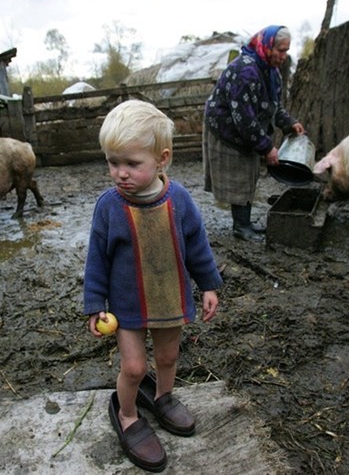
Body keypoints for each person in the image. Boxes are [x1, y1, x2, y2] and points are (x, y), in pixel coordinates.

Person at [83, 99, 223, 472]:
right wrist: (96, 303)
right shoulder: (109, 206)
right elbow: (96, 259)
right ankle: (127, 414)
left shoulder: (179, 200)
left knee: (167, 358)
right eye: (113, 162)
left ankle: (163, 396)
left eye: (132, 163)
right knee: (132, 367)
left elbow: (197, 246)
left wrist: (209, 285)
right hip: (127, 306)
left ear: (161, 158)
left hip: (169, 298)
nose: (120, 173)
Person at [203, 25, 305, 242]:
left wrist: (289, 123)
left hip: (244, 126)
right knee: (239, 172)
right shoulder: (246, 71)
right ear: (267, 46)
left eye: (286, 51)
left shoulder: (271, 72)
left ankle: (245, 223)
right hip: (227, 127)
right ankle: (241, 226)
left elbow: (273, 106)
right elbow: (244, 118)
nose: (283, 56)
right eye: (280, 50)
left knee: (249, 172)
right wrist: (266, 146)